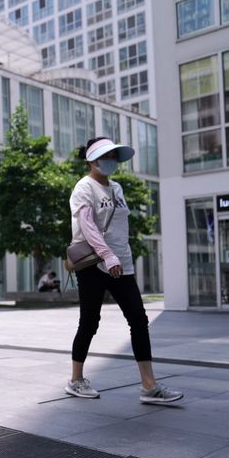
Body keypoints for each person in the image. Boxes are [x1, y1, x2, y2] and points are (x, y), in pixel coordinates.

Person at [65, 137, 183, 404]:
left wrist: (120, 258)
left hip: (122, 264)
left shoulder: (117, 188)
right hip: (94, 263)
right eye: (106, 156)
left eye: (114, 156)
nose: (111, 161)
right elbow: (88, 227)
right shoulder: (84, 188)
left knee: (139, 321)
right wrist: (107, 255)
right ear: (92, 160)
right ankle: (75, 379)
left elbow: (119, 228)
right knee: (89, 322)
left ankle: (149, 386)